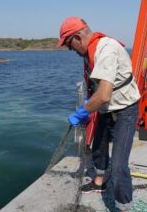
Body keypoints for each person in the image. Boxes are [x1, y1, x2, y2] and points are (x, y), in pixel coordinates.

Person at [57, 17, 141, 212]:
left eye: (70, 45)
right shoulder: (89, 53)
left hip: (125, 109)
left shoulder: (106, 49)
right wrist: (88, 104)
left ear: (78, 37)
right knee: (99, 148)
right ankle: (99, 181)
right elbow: (94, 86)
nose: (71, 50)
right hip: (106, 109)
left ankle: (124, 207)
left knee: (119, 166)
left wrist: (82, 111)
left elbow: (103, 94)